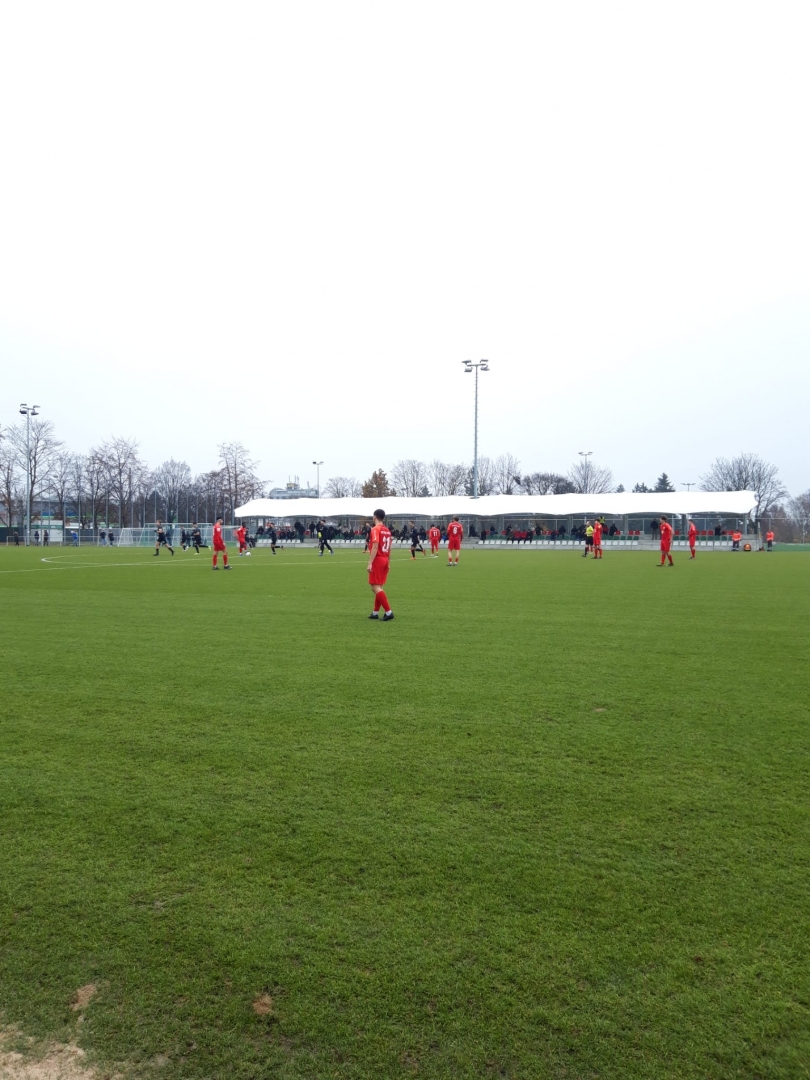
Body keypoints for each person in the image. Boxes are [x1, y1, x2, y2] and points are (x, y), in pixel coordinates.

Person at [367, 508, 393, 620]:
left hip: (378, 559)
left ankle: (388, 612)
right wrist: (389, 563)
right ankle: (375, 612)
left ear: (375, 517)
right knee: (379, 586)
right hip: (385, 559)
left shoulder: (375, 529)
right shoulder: (387, 530)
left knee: (374, 587)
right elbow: (390, 548)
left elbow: (375, 546)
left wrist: (369, 563)